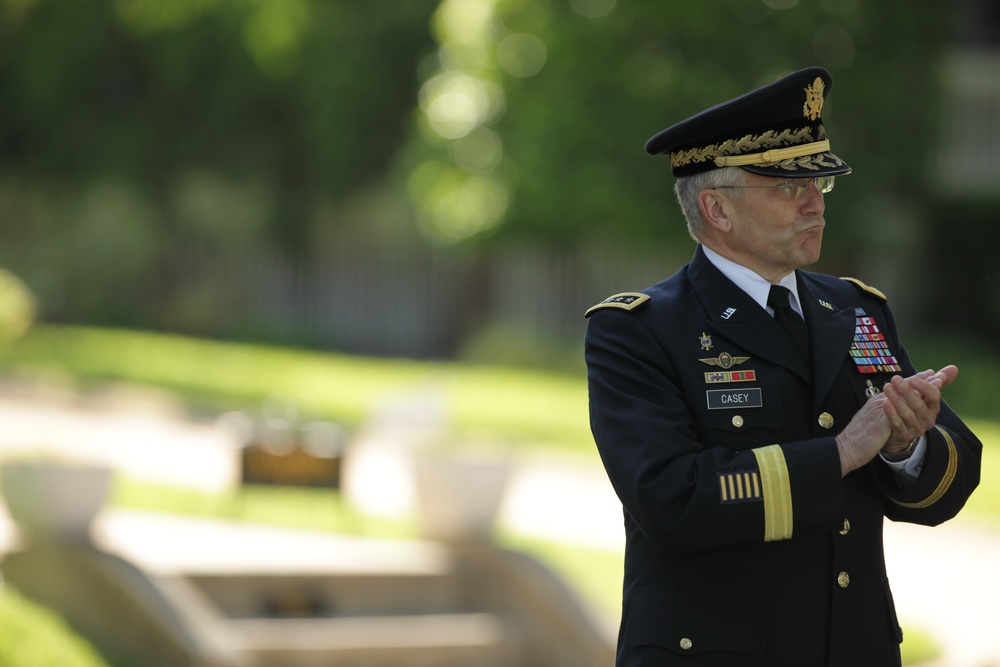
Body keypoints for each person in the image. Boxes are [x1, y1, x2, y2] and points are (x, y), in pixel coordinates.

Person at [584, 66, 982, 667]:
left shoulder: (854, 308)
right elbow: (672, 501)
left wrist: (906, 446)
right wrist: (842, 453)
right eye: (785, 187)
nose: (814, 202)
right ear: (716, 208)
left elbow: (950, 480)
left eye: (819, 184)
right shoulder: (638, 330)